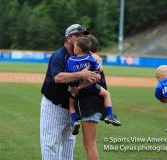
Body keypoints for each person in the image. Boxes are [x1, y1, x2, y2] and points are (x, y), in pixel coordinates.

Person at [40, 24, 101, 160]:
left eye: (83, 35)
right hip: (54, 106)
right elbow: (58, 77)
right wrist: (81, 74)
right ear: (68, 38)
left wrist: (95, 72)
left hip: (73, 105)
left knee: (69, 143)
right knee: (50, 143)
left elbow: (97, 75)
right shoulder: (59, 56)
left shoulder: (86, 56)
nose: (82, 37)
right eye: (78, 35)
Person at [66, 37, 121, 135]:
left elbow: (68, 74)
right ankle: (110, 115)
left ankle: (74, 122)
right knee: (106, 94)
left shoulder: (71, 60)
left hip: (78, 90)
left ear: (78, 49)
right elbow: (99, 70)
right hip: (92, 88)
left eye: (74, 47)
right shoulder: (91, 58)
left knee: (71, 104)